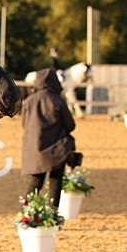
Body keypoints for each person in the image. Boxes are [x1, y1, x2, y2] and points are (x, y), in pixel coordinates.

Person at [20, 67, 76, 209]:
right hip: (56, 150)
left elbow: (24, 124)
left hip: (34, 148)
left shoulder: (28, 101)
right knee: (55, 183)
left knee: (34, 183)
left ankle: (26, 214)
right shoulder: (58, 100)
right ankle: (52, 213)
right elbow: (70, 125)